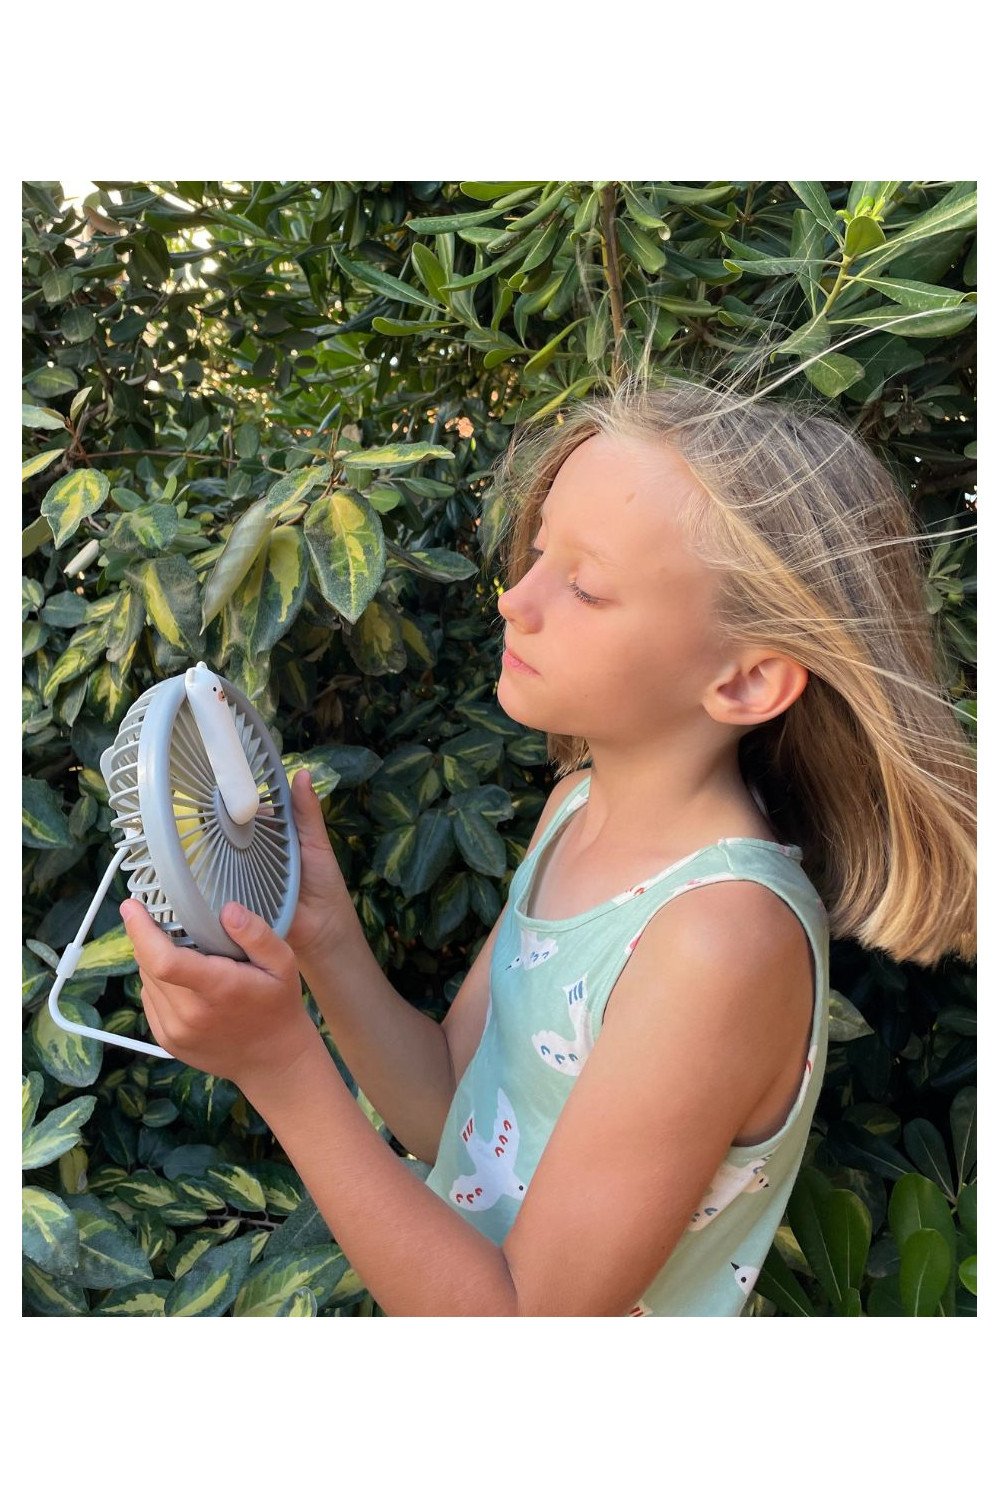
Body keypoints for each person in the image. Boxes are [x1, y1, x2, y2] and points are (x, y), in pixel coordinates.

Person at [121, 372, 976, 1316]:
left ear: (746, 681)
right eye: (535, 555)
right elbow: (453, 1109)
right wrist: (323, 935)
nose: (514, 601)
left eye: (585, 587)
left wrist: (279, 1068)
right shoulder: (575, 807)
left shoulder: (719, 939)